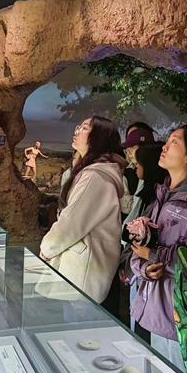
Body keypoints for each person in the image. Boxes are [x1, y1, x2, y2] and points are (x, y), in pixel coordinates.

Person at [127, 124, 187, 371]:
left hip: (179, 318)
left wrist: (153, 255)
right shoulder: (164, 193)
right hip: (151, 308)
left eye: (174, 142)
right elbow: (141, 248)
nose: (165, 147)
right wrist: (143, 267)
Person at [40, 116, 127, 303]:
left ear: (99, 137)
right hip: (83, 274)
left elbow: (71, 222)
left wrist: (47, 248)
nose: (77, 130)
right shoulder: (94, 173)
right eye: (79, 126)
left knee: (77, 318)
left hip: (82, 277)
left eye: (85, 127)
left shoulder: (95, 177)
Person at [118, 143, 168, 328]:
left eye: (139, 163)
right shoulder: (148, 193)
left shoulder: (157, 198)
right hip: (138, 268)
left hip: (147, 272)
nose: (135, 168)